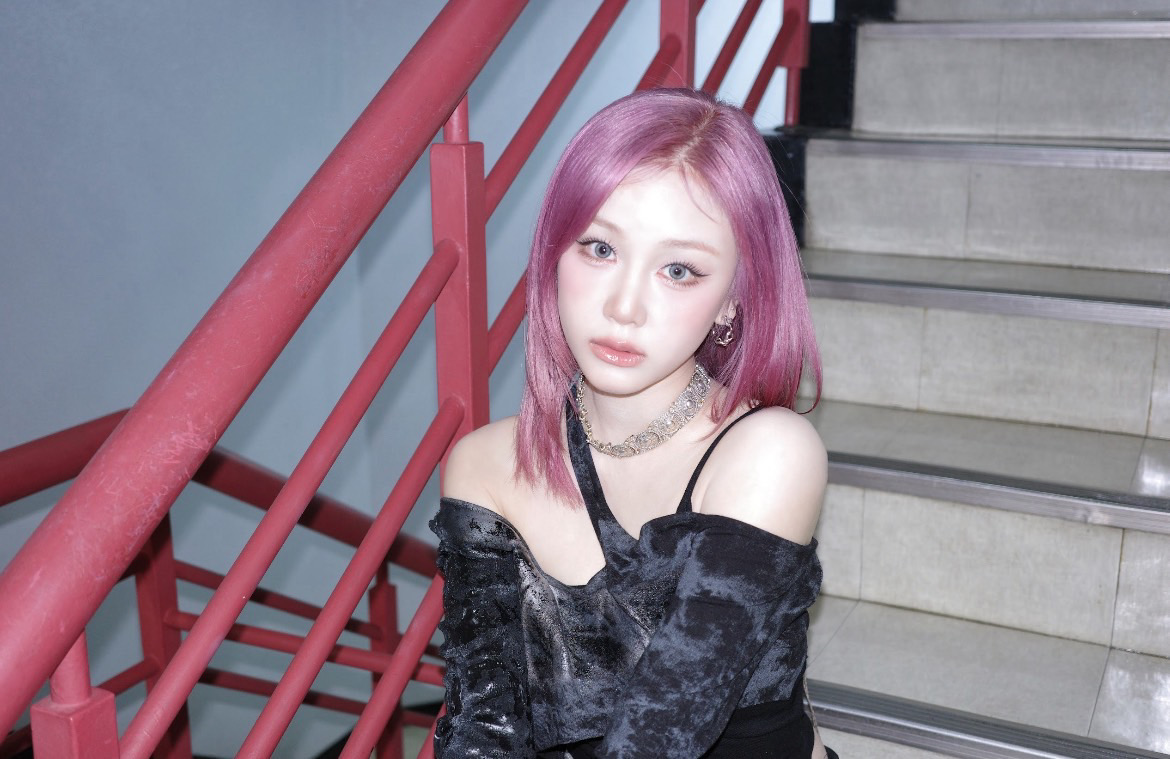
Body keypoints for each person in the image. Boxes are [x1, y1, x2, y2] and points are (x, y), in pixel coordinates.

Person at [430, 87, 834, 758]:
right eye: (599, 248)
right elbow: (485, 727)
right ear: (553, 254)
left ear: (732, 299)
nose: (624, 307)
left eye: (678, 270)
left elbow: (660, 734)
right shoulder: (483, 466)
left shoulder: (768, 454)